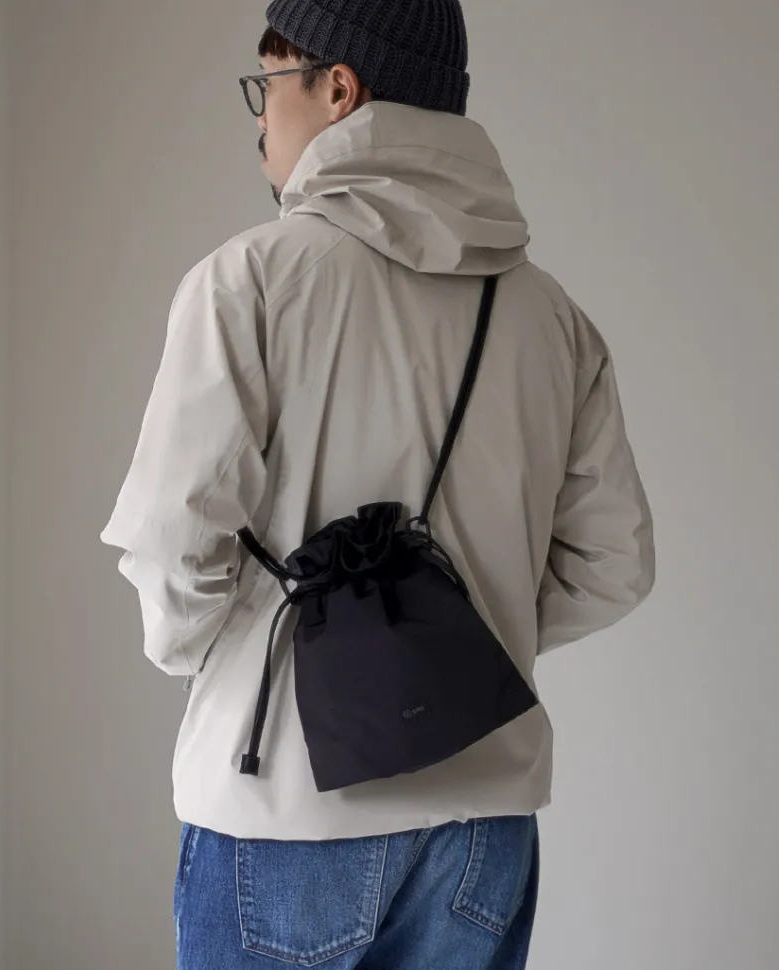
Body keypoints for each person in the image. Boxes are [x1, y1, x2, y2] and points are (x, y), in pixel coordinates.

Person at [101, 0, 655, 966]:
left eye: (270, 84)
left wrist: (230, 663)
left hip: (284, 807)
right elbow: (614, 563)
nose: (261, 119)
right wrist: (461, 635)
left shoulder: (250, 281)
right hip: (485, 818)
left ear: (338, 89)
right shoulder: (551, 317)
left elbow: (171, 544)